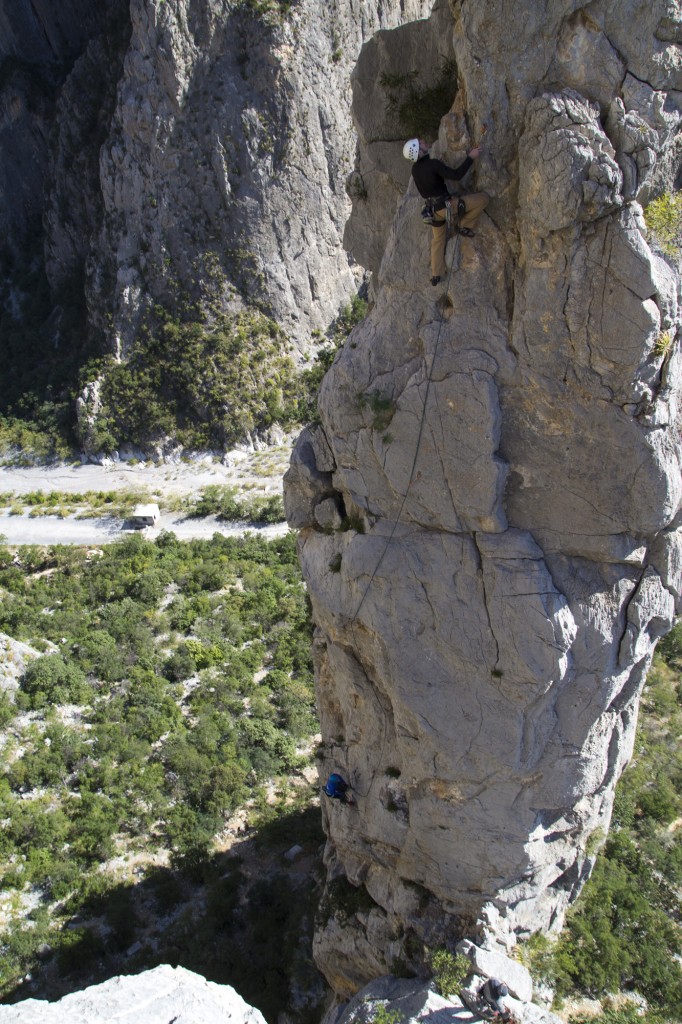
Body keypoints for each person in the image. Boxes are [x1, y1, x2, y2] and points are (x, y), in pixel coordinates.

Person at [403, 136, 489, 286]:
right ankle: (464, 225)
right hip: (447, 207)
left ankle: (436, 274)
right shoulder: (432, 164)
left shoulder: (415, 170)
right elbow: (456, 175)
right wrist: (470, 157)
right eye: (421, 143)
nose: (424, 142)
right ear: (418, 151)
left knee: (437, 240)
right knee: (483, 199)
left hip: (433, 212)